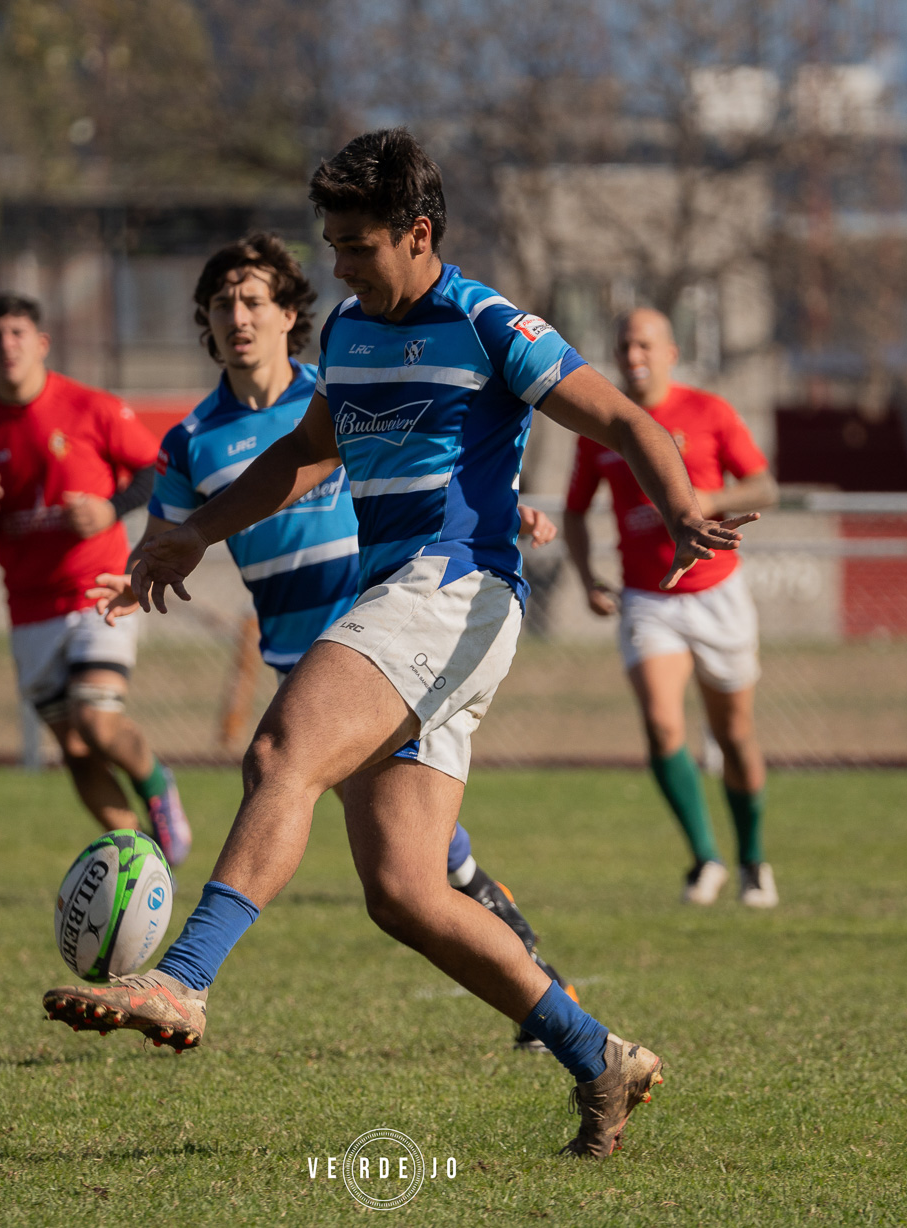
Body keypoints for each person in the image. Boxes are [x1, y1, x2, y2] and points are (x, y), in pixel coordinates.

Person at [45, 129, 753, 1158]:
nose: (336, 263)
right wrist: (194, 528)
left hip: (457, 590)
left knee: (283, 751)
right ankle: (599, 1053)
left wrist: (682, 509)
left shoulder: (486, 321)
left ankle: (184, 977)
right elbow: (300, 451)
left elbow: (624, 422)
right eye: (329, 242)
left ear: (418, 234)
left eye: (356, 244)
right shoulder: (348, 328)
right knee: (406, 890)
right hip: (404, 602)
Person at [88, 232, 580, 1052]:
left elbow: (436, 462)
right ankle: (551, 998)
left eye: (254, 301)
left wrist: (506, 510)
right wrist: (142, 571)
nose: (237, 317)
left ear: (290, 315)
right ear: (207, 326)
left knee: (385, 846)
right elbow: (168, 535)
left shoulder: (343, 385)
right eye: (222, 305)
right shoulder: (189, 443)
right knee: (418, 866)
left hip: (380, 641)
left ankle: (187, 977)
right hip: (296, 656)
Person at [0, 294, 190, 864]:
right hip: (30, 608)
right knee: (75, 750)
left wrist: (109, 508)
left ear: (41, 342)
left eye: (17, 332)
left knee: (96, 721)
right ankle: (138, 861)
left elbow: (159, 471)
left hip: (98, 589)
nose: (7, 344)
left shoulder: (89, 407)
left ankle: (156, 785)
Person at [563, 308, 780, 907]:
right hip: (647, 597)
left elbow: (764, 486)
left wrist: (709, 497)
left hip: (718, 594)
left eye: (644, 344)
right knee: (662, 725)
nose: (632, 355)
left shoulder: (709, 411)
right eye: (623, 345)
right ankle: (704, 859)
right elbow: (575, 510)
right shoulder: (602, 425)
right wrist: (585, 577)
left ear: (670, 352)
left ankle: (753, 860)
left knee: (733, 735)